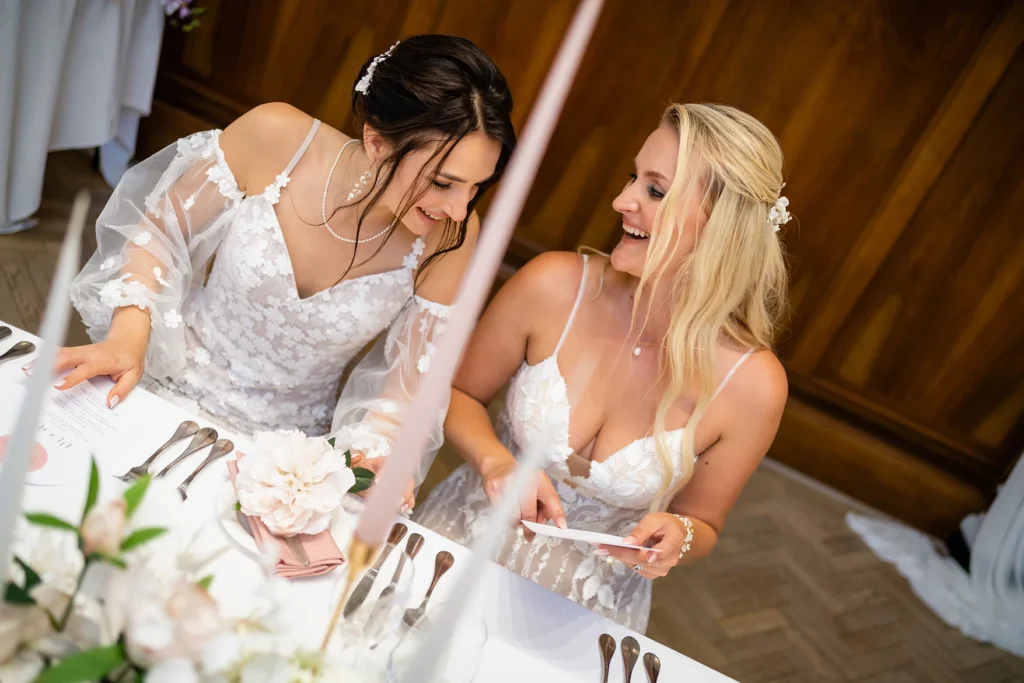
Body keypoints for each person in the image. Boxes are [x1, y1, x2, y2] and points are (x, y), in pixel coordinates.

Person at [61, 35, 515, 505]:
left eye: (476, 188)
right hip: (166, 379)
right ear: (377, 142)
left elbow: (410, 379)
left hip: (284, 456)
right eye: (443, 183)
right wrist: (128, 336)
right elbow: (161, 233)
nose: (460, 209)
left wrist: (376, 451)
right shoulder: (276, 136)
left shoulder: (450, 237)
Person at [415, 103, 790, 632]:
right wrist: (497, 462)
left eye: (656, 191)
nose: (622, 200)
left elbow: (704, 523)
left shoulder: (753, 385)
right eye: (633, 178)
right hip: (455, 550)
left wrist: (679, 537)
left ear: (721, 228)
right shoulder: (552, 285)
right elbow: (454, 395)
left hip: (583, 612)